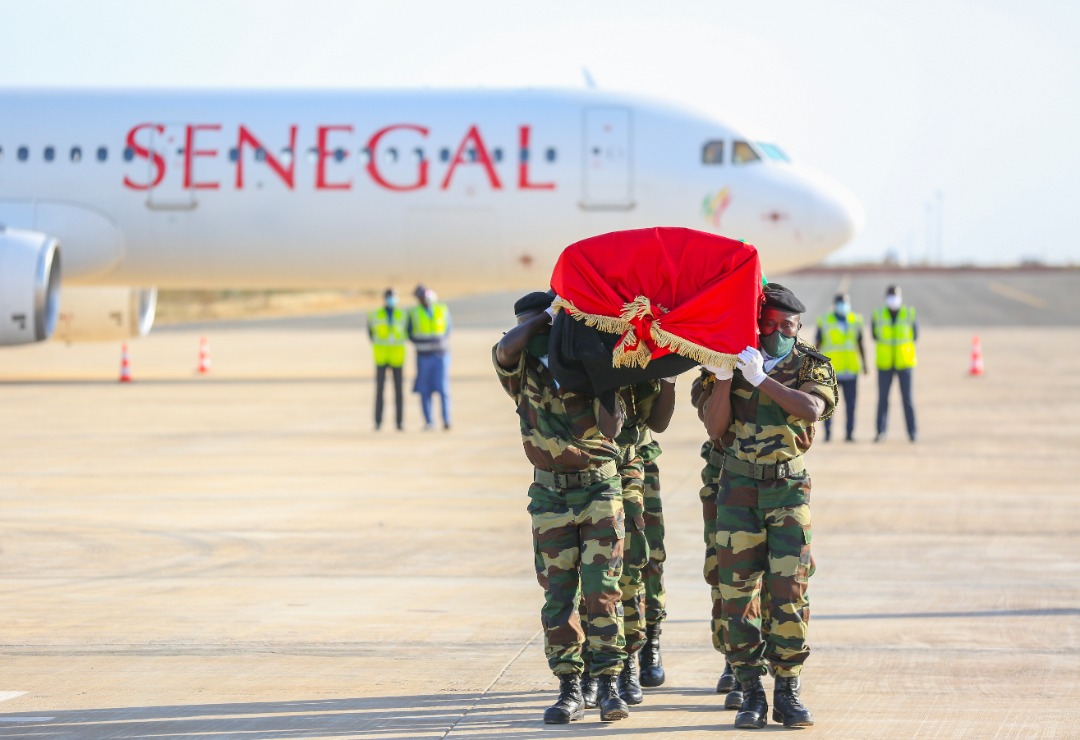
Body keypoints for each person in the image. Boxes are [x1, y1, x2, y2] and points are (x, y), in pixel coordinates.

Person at [702, 282, 836, 729]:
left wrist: (763, 380)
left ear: (798, 328)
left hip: (788, 489)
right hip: (738, 487)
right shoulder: (731, 360)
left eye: (787, 326)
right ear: (757, 322)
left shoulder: (810, 365)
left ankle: (788, 690)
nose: (777, 331)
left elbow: (812, 410)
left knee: (789, 591)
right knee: (737, 594)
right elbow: (714, 427)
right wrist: (725, 378)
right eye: (769, 323)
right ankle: (750, 690)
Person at [494, 290, 631, 724]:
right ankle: (569, 686)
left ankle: (608, 683)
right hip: (551, 495)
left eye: (546, 325)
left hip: (599, 491)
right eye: (529, 325)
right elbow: (505, 348)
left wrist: (599, 374)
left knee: (602, 590)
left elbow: (613, 428)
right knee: (558, 596)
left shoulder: (588, 359)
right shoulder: (520, 370)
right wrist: (540, 321)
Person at [611, 379, 675, 706]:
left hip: (639, 459)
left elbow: (657, 420)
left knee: (648, 556)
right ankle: (604, 657)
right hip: (592, 457)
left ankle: (650, 640)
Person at [815, 292, 868, 442]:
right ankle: (828, 434)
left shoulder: (855, 321)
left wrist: (865, 365)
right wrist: (815, 365)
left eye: (845, 302)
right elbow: (817, 345)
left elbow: (860, 343)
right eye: (840, 302)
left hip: (850, 370)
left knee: (851, 405)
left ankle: (850, 434)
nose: (843, 306)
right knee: (829, 405)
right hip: (831, 371)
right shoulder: (825, 321)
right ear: (835, 304)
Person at [871, 284, 917, 442]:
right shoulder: (878, 315)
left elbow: (915, 335)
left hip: (904, 363)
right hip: (885, 363)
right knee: (883, 399)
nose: (893, 298)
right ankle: (880, 431)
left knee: (908, 399)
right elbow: (875, 335)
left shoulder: (909, 314)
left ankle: (912, 432)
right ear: (885, 298)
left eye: (895, 295)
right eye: (891, 295)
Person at [407, 285, 452, 430]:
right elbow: (410, 333)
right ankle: (429, 422)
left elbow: (447, 329)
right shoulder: (414, 312)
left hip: (441, 356)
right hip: (423, 357)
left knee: (443, 389)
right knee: (424, 390)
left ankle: (446, 420)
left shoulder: (441, 309)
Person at [367, 287, 407, 431]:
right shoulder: (375, 315)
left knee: (399, 393)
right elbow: (371, 334)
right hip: (381, 358)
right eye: (389, 297)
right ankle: (378, 422)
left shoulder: (402, 315)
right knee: (379, 392)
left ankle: (400, 423)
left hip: (397, 358)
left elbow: (407, 332)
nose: (391, 300)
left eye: (393, 297)